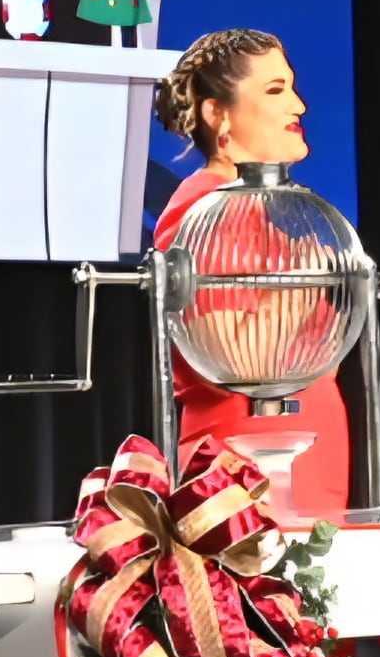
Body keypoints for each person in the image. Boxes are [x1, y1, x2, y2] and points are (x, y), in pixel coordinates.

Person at [145, 28, 354, 516]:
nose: (299, 107)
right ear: (218, 114)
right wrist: (309, 277)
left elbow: (317, 360)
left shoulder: (254, 210)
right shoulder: (208, 209)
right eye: (276, 91)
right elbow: (225, 360)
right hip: (253, 467)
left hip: (297, 457)